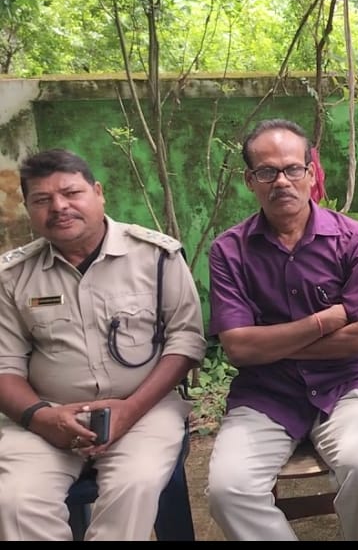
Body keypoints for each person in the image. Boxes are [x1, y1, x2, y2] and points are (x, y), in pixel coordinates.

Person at [205, 119, 358, 541]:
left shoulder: (353, 239)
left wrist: (270, 342)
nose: (282, 181)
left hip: (347, 386)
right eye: (266, 171)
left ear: (311, 174)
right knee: (227, 490)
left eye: (293, 168)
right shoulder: (228, 251)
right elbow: (238, 349)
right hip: (267, 395)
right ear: (249, 180)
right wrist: (323, 321)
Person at [0, 148, 206, 541]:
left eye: (71, 193)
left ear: (98, 192)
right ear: (28, 208)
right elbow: (4, 365)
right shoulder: (12, 276)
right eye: (42, 200)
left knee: (135, 485)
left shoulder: (156, 257)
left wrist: (130, 410)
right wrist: (43, 418)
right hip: (50, 416)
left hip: (145, 411)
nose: (59, 207)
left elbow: (186, 340)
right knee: (16, 500)